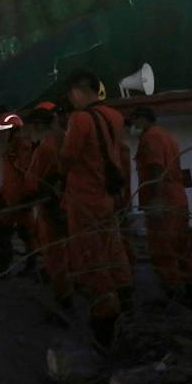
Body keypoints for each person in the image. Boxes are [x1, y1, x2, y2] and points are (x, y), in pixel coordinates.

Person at [59, 69, 131, 351]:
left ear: (77, 90)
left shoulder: (79, 119)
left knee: (92, 257)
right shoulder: (113, 115)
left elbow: (68, 157)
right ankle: (126, 296)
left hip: (85, 198)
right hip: (107, 196)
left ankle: (105, 318)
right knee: (113, 247)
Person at [127, 106, 192, 308]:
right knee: (182, 245)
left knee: (163, 248)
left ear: (141, 118)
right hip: (176, 196)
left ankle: (173, 297)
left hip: (163, 198)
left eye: (133, 120)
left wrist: (156, 198)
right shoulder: (166, 137)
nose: (132, 126)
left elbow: (155, 167)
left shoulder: (151, 138)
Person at [28, 102, 73, 308]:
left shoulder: (46, 146)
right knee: (71, 246)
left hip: (51, 205)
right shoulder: (64, 138)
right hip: (65, 203)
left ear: (38, 125)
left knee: (54, 252)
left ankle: (63, 295)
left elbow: (43, 179)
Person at [0, 113, 40, 270]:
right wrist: (1, 195)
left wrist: (29, 194)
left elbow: (28, 173)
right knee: (6, 232)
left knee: (27, 232)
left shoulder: (22, 148)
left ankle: (32, 264)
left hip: (21, 199)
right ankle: (4, 263)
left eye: (4, 131)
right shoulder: (10, 150)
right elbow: (8, 176)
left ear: (13, 131)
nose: (2, 135)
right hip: (11, 199)